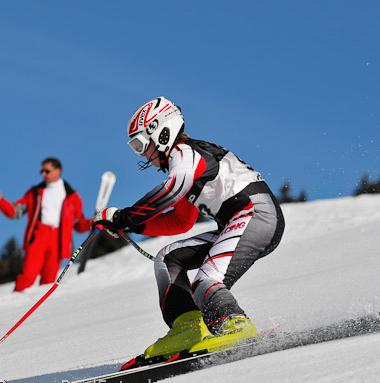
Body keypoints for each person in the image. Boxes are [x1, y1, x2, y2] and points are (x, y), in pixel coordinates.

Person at [93, 97, 285, 360]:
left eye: (140, 145)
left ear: (160, 133)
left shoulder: (184, 153)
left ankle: (236, 326)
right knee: (168, 258)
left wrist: (124, 217)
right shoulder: (185, 165)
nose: (142, 155)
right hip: (236, 221)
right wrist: (132, 225)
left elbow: (171, 190)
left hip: (257, 214)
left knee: (207, 279)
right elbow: (180, 221)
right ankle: (187, 327)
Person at [0, 157, 92, 292]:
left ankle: (44, 309)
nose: (43, 174)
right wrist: (1, 203)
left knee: (49, 279)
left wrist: (92, 221)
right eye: (42, 171)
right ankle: (16, 303)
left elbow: (79, 225)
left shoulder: (72, 197)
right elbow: (16, 211)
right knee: (28, 275)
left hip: (59, 240)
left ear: (58, 171)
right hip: (38, 235)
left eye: (47, 171)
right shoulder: (35, 192)